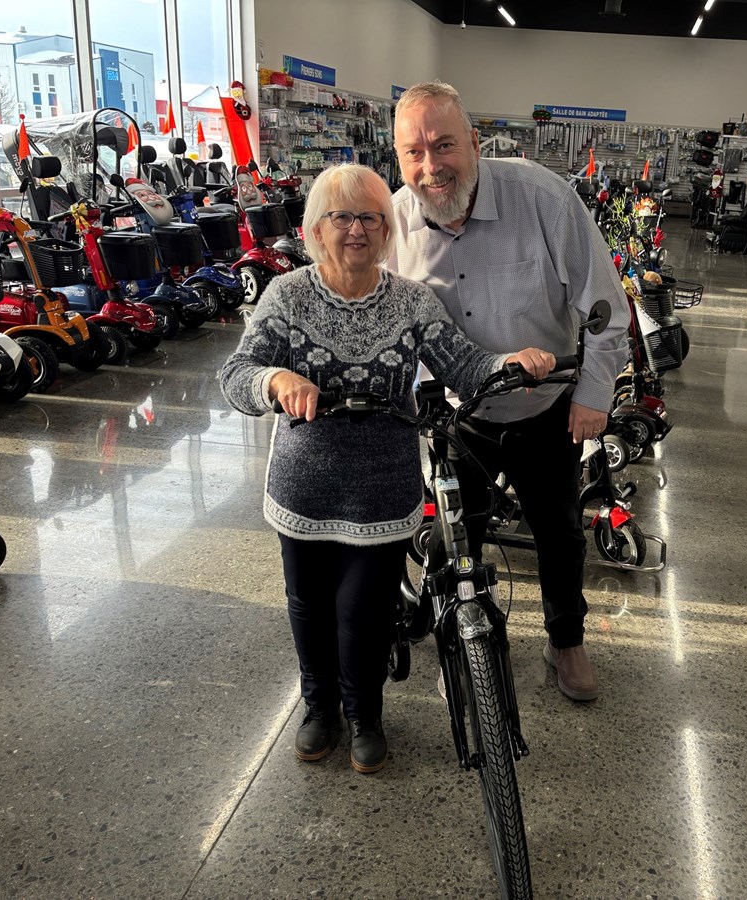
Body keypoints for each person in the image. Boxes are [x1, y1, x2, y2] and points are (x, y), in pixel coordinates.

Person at [220, 163, 555, 773]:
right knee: (308, 606)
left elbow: (464, 365)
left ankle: (364, 714)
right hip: (304, 489)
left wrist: (512, 363)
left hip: (382, 490)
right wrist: (275, 379)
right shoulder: (286, 295)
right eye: (342, 217)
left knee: (362, 612)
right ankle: (318, 707)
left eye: (371, 218)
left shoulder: (411, 301)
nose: (357, 229)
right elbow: (236, 375)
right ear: (316, 229)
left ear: (386, 229)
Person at [385, 81, 630, 702]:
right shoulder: (392, 222)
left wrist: (593, 394)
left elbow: (606, 306)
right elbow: (380, 321)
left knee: (559, 531)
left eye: (444, 145)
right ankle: (462, 640)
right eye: (414, 152)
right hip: (456, 414)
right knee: (453, 537)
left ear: (474, 142)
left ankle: (565, 639)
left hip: (542, 405)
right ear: (399, 157)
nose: (431, 166)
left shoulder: (544, 198)